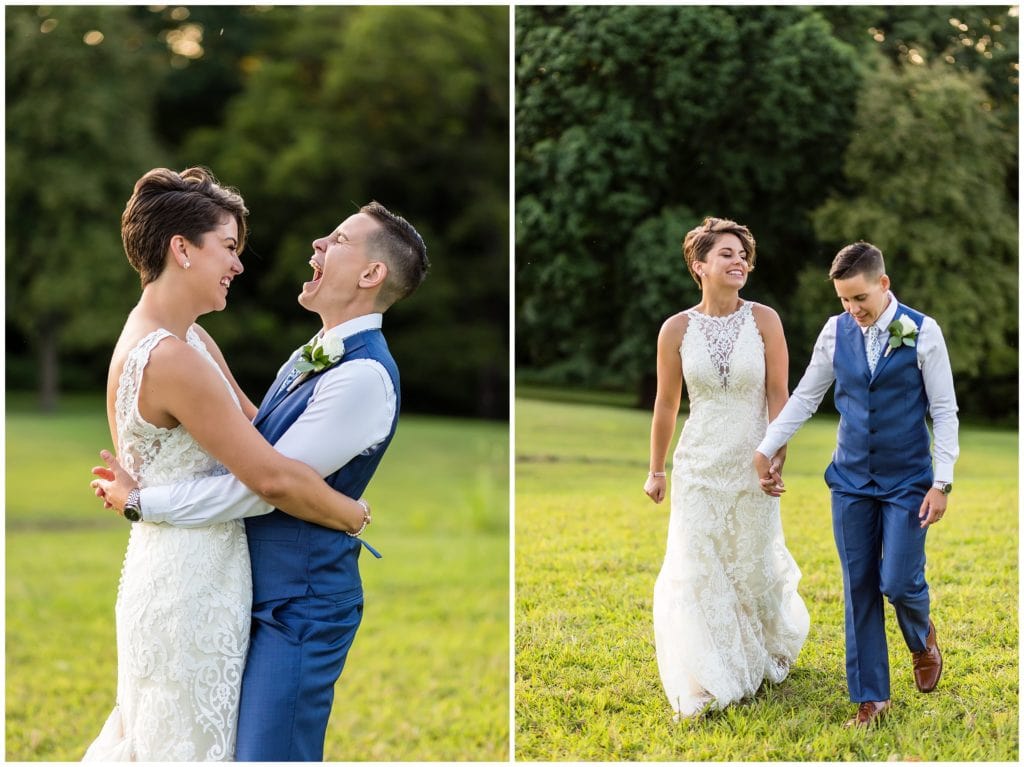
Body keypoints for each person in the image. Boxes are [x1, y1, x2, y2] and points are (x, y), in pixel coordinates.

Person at [92, 192, 429, 760]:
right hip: (202, 579)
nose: (318, 244)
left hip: (296, 598)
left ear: (372, 273)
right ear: (182, 249)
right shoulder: (286, 352)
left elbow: (263, 470)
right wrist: (349, 512)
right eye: (229, 247)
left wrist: (144, 502)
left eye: (339, 240)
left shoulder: (361, 374)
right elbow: (265, 467)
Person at [754, 241, 958, 729]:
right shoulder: (834, 331)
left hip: (908, 480)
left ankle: (920, 635)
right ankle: (872, 699)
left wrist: (942, 482)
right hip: (849, 479)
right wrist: (767, 446)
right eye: (844, 300)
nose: (853, 310)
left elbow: (945, 411)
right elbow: (806, 397)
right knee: (859, 585)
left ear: (883, 284)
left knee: (899, 581)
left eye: (860, 298)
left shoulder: (923, 332)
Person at [644, 216, 809, 720]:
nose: (739, 261)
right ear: (700, 265)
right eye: (727, 254)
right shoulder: (675, 329)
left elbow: (778, 392)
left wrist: (777, 451)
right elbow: (667, 404)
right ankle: (707, 675)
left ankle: (759, 649)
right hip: (698, 464)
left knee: (750, 561)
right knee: (699, 566)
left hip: (751, 461)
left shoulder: (765, 320)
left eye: (744, 255)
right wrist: (657, 469)